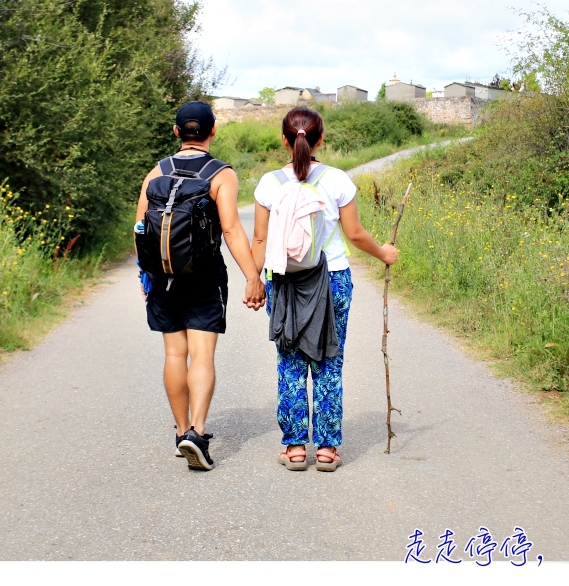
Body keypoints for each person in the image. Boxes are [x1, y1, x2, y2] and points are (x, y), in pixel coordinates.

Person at [251, 106, 399, 471]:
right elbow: (355, 234)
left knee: (289, 362)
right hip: (331, 278)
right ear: (321, 139)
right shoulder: (337, 181)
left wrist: (254, 279)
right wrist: (384, 253)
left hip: (283, 279)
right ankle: (328, 449)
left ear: (284, 140)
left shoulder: (269, 184)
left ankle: (296, 448)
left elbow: (259, 238)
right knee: (329, 361)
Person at [135, 101, 265, 471]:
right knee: (202, 355)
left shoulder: (155, 172)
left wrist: (147, 273)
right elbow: (231, 229)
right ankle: (198, 432)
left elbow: (141, 227)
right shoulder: (220, 174)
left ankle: (180, 433)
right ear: (213, 131)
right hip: (205, 277)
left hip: (164, 277)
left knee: (175, 354)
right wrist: (252, 276)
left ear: (176, 132)